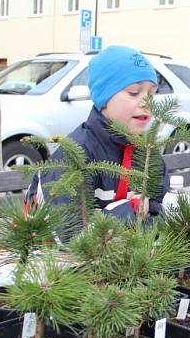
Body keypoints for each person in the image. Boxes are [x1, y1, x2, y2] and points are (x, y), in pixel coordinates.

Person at [27, 46, 167, 221]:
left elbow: (159, 211)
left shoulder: (148, 154)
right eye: (134, 92)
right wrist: (127, 211)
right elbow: (67, 233)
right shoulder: (77, 153)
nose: (147, 102)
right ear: (104, 99)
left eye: (151, 94)